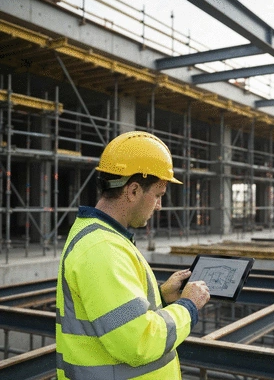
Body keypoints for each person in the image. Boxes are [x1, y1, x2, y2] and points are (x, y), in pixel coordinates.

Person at [56, 131, 210, 380]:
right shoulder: (102, 249)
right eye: (158, 195)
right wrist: (188, 306)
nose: (159, 205)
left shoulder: (104, 239)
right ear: (134, 190)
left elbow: (112, 314)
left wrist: (161, 296)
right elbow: (139, 342)